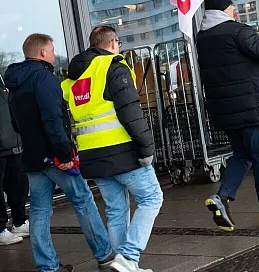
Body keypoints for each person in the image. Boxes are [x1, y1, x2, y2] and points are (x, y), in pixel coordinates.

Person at [5, 33, 116, 272]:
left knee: (39, 210)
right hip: (55, 157)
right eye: (52, 50)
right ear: (42, 52)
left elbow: (16, 124)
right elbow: (53, 118)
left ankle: (47, 266)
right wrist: (65, 153)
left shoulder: (14, 84)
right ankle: (105, 255)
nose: (54, 55)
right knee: (83, 200)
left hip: (32, 157)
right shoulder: (44, 78)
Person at [60, 26, 162, 272]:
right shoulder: (113, 66)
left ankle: (123, 265)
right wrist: (147, 147)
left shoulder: (75, 77)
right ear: (114, 42)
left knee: (116, 210)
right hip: (123, 152)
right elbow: (131, 112)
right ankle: (129, 256)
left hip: (93, 156)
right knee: (152, 198)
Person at [196, 0, 259, 231]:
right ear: (224, 10)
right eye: (231, 7)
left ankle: (222, 197)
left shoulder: (203, 37)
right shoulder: (237, 31)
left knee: (243, 154)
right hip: (253, 107)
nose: (235, 11)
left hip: (227, 110)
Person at [0, 73, 28, 246]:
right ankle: (1, 230)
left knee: (18, 185)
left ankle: (19, 222)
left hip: (13, 142)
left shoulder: (4, 78)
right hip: (3, 143)